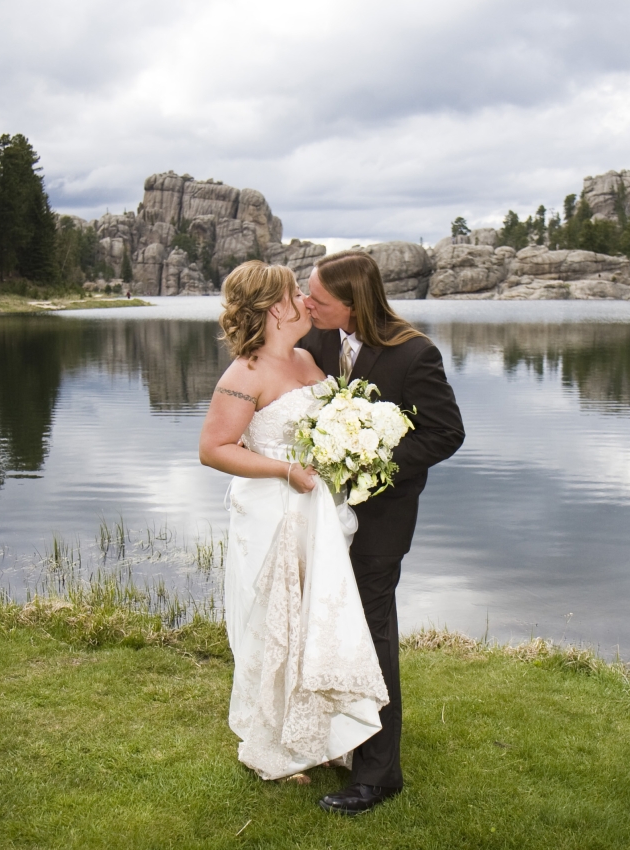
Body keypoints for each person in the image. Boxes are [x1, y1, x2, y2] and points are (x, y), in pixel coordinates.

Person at [199, 260, 389, 783]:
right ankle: (276, 742)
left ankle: (320, 733)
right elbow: (213, 448)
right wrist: (286, 470)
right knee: (276, 623)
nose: (308, 301)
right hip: (273, 513)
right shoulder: (246, 373)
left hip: (320, 514)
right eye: (296, 294)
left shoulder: (308, 359)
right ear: (275, 308)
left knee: (314, 622)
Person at [299, 250, 465, 815]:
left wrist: (372, 462)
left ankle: (378, 774)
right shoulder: (317, 341)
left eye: (317, 299)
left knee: (372, 637)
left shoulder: (415, 352)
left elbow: (445, 433)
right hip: (319, 518)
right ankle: (335, 742)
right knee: (325, 629)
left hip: (382, 520)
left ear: (352, 303)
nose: (306, 305)